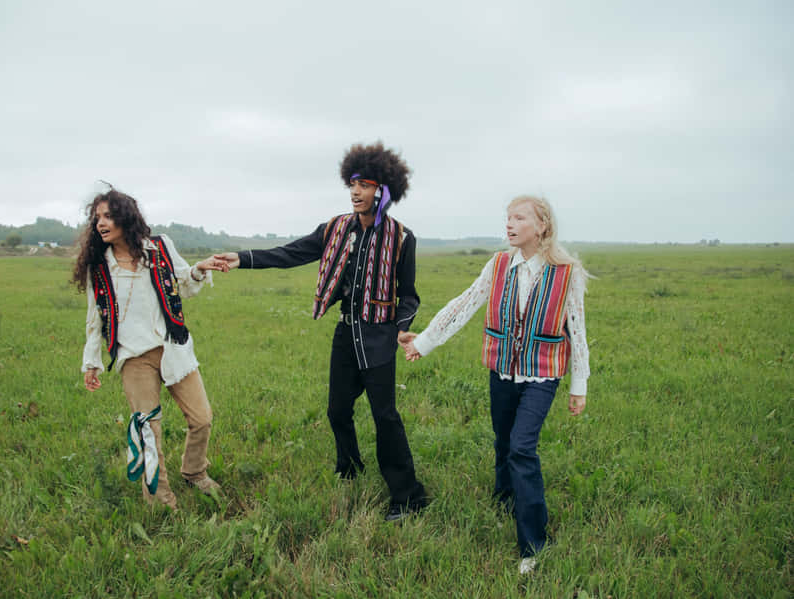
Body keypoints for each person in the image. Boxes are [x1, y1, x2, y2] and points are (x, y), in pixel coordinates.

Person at [213, 142, 428, 521]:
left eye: (364, 185)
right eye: (352, 184)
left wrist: (402, 328)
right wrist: (242, 259)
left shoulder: (403, 238)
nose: (355, 192)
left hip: (378, 338)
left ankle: (408, 497)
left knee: (385, 417)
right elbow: (290, 253)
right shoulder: (334, 229)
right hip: (346, 334)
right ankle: (350, 468)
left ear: (384, 190)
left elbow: (408, 296)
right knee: (336, 410)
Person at [401, 195, 590, 573]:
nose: (509, 224)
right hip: (501, 370)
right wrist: (424, 342)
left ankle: (533, 545)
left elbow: (578, 329)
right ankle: (505, 498)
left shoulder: (567, 272)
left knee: (521, 448)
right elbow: (465, 303)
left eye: (519, 218)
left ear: (541, 226)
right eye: (507, 218)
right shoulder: (499, 264)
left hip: (542, 374)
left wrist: (578, 384)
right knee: (503, 440)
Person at [72, 185, 228, 510]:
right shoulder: (99, 266)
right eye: (97, 218)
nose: (101, 223)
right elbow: (94, 316)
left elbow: (184, 282)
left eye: (108, 216)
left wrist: (199, 268)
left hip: (173, 347)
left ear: (125, 218)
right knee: (148, 431)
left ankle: (195, 471)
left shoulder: (158, 248)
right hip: (134, 357)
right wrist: (92, 362)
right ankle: (160, 501)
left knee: (202, 418)